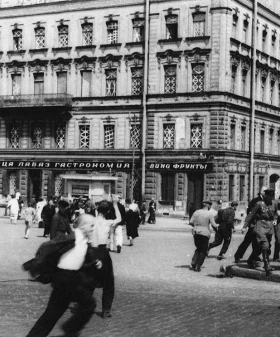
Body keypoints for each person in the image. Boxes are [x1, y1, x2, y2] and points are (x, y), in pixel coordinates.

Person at [25, 213, 102, 337]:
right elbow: (47, 246)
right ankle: (70, 330)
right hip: (65, 279)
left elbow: (75, 261)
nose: (93, 228)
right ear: (82, 226)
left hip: (69, 278)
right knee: (89, 303)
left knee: (51, 315)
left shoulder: (84, 240)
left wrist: (93, 263)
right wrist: (38, 265)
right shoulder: (72, 238)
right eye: (91, 225)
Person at [91, 195, 121, 318]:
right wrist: (115, 204)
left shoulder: (91, 221)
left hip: (91, 251)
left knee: (89, 280)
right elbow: (119, 218)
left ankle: (82, 306)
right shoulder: (107, 222)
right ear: (108, 211)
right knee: (108, 282)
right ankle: (106, 310)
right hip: (103, 252)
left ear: (97, 210)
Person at [242, 188, 278, 274]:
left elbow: (276, 213)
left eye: (271, 196)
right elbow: (251, 215)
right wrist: (245, 226)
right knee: (265, 245)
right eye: (268, 196)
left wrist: (275, 219)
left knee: (264, 246)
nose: (269, 198)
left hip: (269, 227)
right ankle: (267, 265)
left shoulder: (274, 203)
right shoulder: (259, 204)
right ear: (265, 195)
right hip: (260, 226)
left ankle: (251, 259)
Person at [234, 186, 268, 263]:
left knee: (257, 242)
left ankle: (254, 256)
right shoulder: (255, 200)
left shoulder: (265, 201)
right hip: (254, 224)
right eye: (266, 192)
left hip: (261, 225)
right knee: (247, 241)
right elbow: (250, 212)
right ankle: (237, 256)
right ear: (262, 192)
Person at [189, 200, 218, 272]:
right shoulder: (209, 214)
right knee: (203, 251)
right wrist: (217, 227)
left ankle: (193, 262)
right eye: (210, 206)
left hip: (196, 232)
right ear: (208, 206)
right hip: (204, 233)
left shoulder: (196, 212)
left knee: (198, 248)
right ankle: (197, 266)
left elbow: (191, 222)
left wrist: (196, 225)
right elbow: (214, 225)